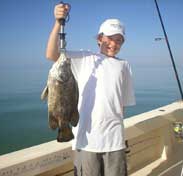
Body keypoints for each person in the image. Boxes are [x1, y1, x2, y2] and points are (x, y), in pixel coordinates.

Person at [46, 3, 136, 176]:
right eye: (109, 38)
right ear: (99, 38)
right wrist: (58, 22)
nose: (113, 43)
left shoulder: (124, 66)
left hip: (115, 142)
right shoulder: (85, 57)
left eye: (119, 40)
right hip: (86, 141)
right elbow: (52, 54)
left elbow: (122, 105)